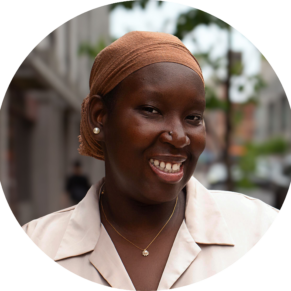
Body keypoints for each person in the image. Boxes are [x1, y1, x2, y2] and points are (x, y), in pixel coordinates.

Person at [21, 31, 279, 290]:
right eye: (152, 111)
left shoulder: (257, 230)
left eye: (193, 118)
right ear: (100, 116)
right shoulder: (43, 244)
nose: (178, 137)